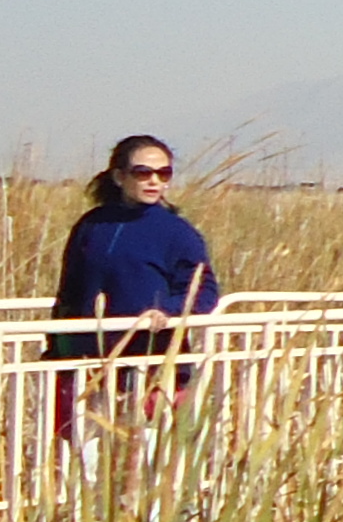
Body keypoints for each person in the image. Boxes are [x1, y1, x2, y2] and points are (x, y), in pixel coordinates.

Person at [48, 135, 221, 429]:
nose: (154, 181)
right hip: (90, 367)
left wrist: (167, 311)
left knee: (146, 452)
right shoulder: (92, 225)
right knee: (85, 451)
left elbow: (203, 290)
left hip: (151, 368)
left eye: (164, 173)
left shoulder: (178, 232)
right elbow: (69, 294)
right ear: (119, 177)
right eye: (143, 173)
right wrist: (57, 351)